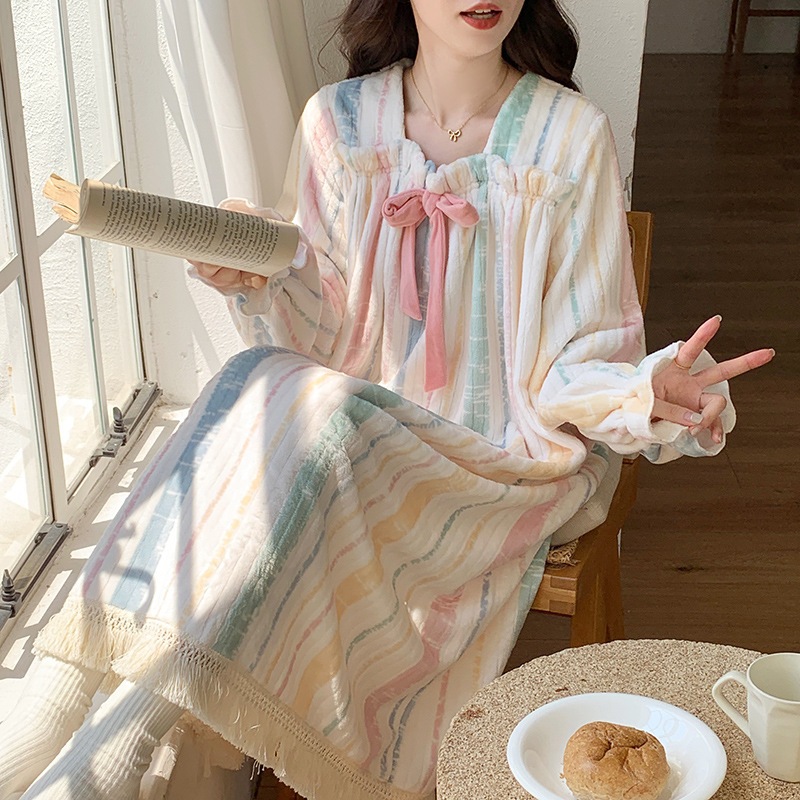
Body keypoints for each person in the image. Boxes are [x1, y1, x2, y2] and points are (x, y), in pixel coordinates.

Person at [0, 1, 774, 799]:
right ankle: (74, 707)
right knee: (259, 380)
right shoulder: (336, 122)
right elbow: (318, 335)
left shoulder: (571, 136)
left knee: (304, 406)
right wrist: (258, 277)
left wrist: (647, 388)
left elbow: (582, 352)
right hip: (352, 444)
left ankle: (113, 734)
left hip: (498, 468)